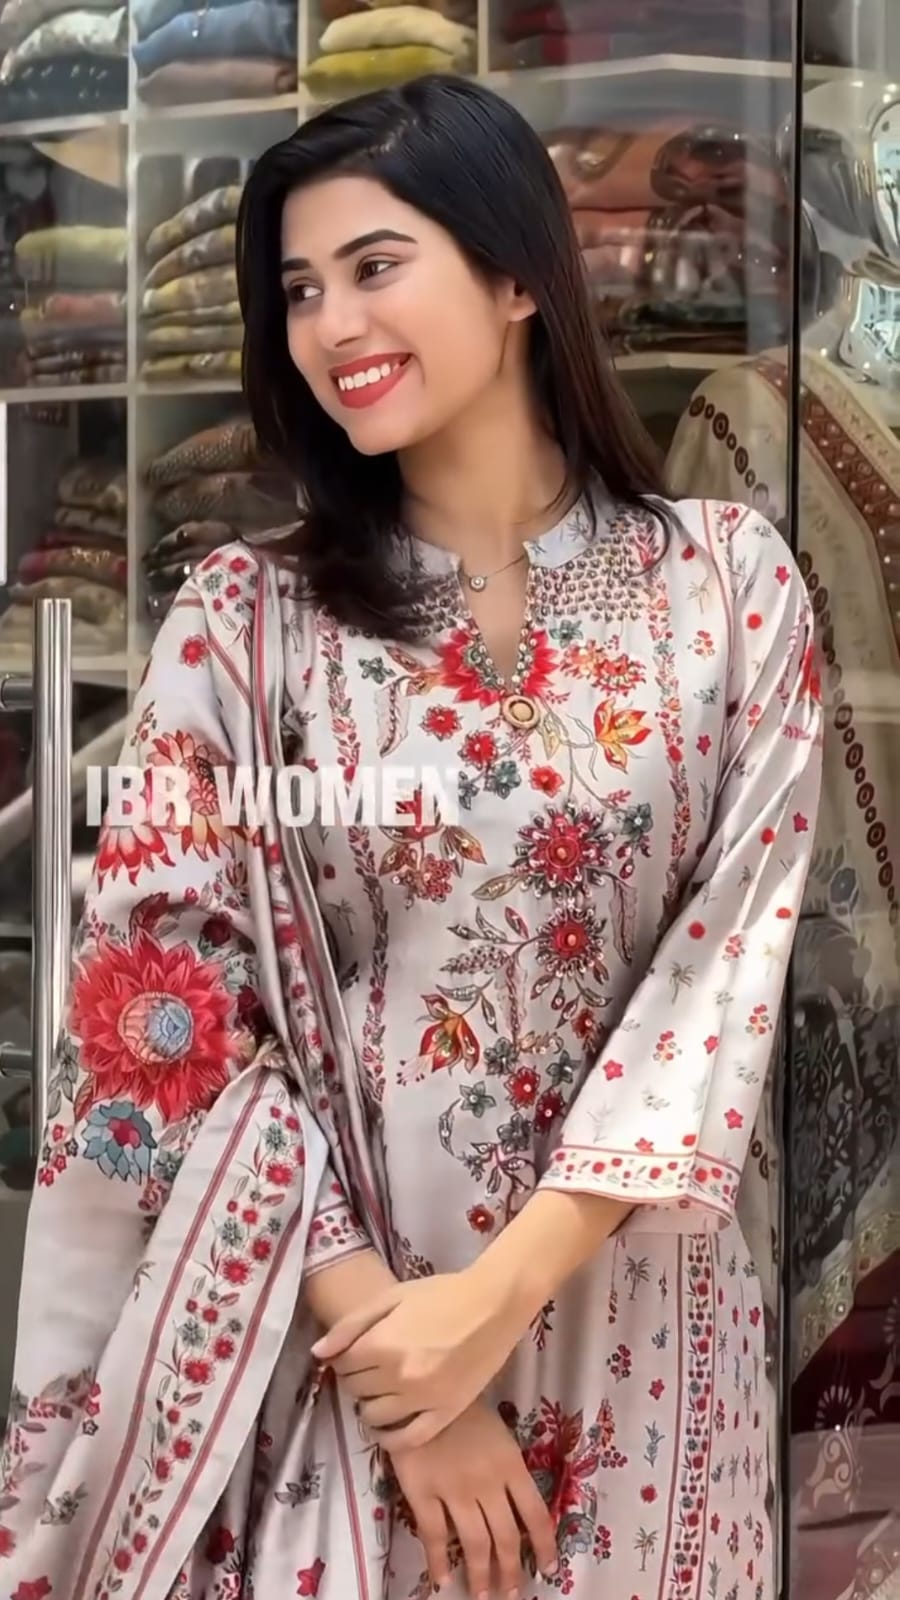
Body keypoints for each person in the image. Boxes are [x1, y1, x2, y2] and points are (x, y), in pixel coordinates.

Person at [0, 74, 822, 1600]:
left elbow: (723, 976)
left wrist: (493, 1305)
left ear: (518, 278)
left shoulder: (726, 589)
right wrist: (399, 1361)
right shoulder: (245, 625)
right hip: (339, 1340)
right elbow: (160, 1010)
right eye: (301, 289)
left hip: (644, 1338)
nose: (332, 324)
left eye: (376, 265)